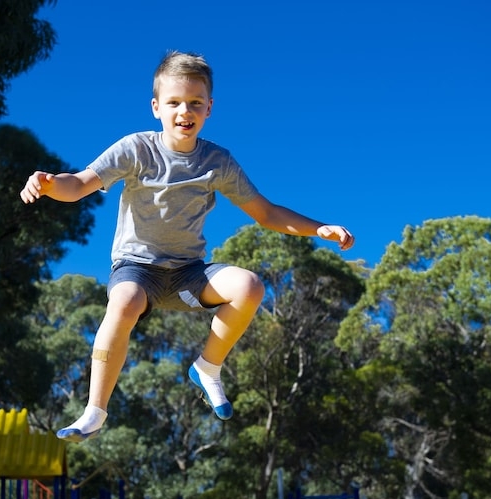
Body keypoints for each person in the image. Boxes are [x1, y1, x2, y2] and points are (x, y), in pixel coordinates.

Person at [19, 51, 355, 441]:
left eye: (195, 103)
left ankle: (207, 367)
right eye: (175, 102)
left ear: (209, 108)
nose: (185, 110)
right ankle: (95, 410)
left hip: (187, 272)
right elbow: (77, 186)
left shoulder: (218, 161)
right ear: (156, 107)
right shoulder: (135, 149)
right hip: (137, 267)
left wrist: (320, 229)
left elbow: (265, 212)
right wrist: (47, 183)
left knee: (249, 286)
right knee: (124, 301)